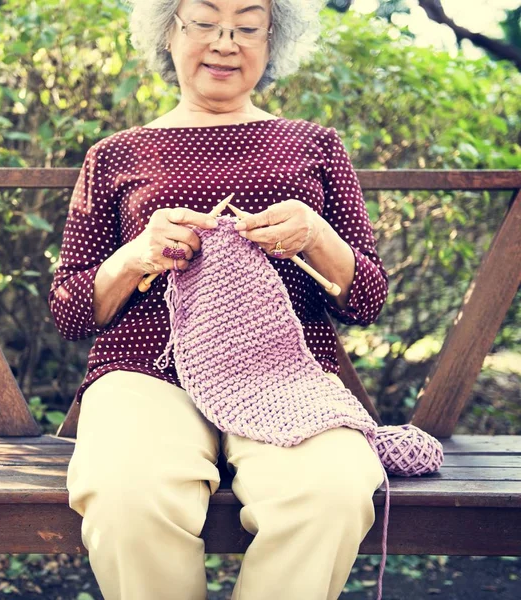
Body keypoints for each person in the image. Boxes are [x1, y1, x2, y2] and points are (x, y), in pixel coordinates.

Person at [48, 0, 389, 598]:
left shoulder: (315, 145)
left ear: (272, 40)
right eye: (203, 22)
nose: (225, 43)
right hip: (145, 372)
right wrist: (136, 255)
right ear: (168, 34)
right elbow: (71, 309)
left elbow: (366, 297)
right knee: (128, 491)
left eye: (247, 26)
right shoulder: (115, 154)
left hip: (284, 374)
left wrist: (316, 236)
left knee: (333, 488)